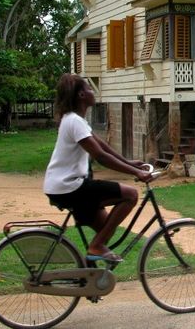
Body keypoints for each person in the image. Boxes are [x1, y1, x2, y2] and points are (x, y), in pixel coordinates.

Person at [43, 74, 152, 262]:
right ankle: (96, 246)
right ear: (81, 96)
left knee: (105, 229)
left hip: (64, 187)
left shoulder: (76, 120)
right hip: (70, 186)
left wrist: (129, 162)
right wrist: (136, 173)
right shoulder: (74, 121)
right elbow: (100, 156)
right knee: (131, 195)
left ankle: (90, 279)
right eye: (89, 88)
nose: (93, 91)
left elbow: (102, 146)